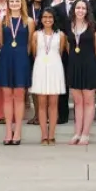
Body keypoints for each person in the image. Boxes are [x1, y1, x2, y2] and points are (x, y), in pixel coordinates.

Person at [0, 0, 32, 145]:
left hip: (21, 59)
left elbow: (31, 44)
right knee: (6, 95)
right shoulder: (3, 20)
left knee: (19, 95)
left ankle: (17, 130)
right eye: (12, 1)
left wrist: (24, 58)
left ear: (22, 3)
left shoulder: (28, 21)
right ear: (8, 3)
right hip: (6, 58)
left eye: (17, 1)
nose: (14, 4)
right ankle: (7, 130)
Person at [29, 8, 66, 145]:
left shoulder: (60, 35)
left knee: (53, 103)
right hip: (40, 68)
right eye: (45, 17)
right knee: (42, 104)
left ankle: (52, 135)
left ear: (54, 19)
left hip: (55, 68)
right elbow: (34, 53)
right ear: (41, 19)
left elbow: (60, 52)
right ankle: (44, 135)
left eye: (50, 17)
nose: (47, 20)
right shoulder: (36, 35)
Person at [65, 0, 96, 145]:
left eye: (83, 8)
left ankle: (86, 133)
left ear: (87, 11)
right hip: (74, 65)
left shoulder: (94, 26)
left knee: (89, 101)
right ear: (73, 10)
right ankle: (77, 132)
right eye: (78, 8)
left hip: (89, 65)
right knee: (77, 101)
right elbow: (67, 46)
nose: (80, 10)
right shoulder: (68, 26)